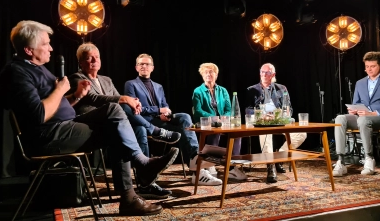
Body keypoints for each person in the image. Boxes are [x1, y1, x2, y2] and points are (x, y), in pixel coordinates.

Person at [0, 20, 179, 216]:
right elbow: (39, 114)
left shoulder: (35, 67)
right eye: (45, 44)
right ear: (28, 49)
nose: (50, 48)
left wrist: (75, 96)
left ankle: (138, 175)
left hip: (64, 126)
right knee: (116, 127)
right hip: (48, 136)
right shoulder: (17, 73)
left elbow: (56, 104)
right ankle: (137, 180)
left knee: (114, 113)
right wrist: (60, 90)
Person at [68, 42, 181, 199]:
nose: (94, 60)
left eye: (97, 57)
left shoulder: (106, 80)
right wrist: (126, 99)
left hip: (113, 123)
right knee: (121, 107)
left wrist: (133, 103)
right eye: (89, 58)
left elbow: (118, 100)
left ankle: (145, 183)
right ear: (80, 62)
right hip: (91, 124)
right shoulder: (76, 78)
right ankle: (155, 132)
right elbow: (93, 98)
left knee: (138, 128)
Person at [124, 53, 219, 185]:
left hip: (161, 120)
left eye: (147, 64)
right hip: (146, 122)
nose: (144, 66)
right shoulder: (131, 84)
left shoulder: (158, 86)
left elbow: (165, 105)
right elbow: (134, 108)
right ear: (136, 67)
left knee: (185, 118)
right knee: (180, 129)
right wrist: (158, 111)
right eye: (141, 64)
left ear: (152, 68)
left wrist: (167, 113)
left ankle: (197, 166)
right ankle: (197, 171)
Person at [333, 51, 380, 176]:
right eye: (367, 66)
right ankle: (340, 161)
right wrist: (353, 110)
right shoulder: (360, 83)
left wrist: (374, 113)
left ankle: (369, 158)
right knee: (340, 118)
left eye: (372, 66)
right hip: (361, 117)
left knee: (363, 120)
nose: (369, 69)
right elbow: (356, 103)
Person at [246, 63, 307, 183]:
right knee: (266, 134)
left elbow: (289, 107)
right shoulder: (252, 90)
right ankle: (271, 167)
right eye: (262, 72)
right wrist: (262, 114)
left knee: (301, 134)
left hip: (280, 122)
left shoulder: (282, 88)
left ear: (273, 74)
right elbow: (248, 109)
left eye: (267, 72)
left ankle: (279, 158)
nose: (264, 75)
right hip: (263, 123)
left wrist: (286, 112)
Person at [192, 62, 247, 180]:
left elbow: (229, 109)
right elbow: (198, 111)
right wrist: (215, 119)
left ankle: (232, 167)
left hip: (223, 123)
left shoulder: (223, 91)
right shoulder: (198, 91)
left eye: (211, 72)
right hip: (206, 123)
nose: (208, 75)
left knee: (237, 134)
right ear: (202, 75)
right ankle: (210, 164)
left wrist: (223, 119)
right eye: (206, 72)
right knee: (214, 132)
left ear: (216, 75)